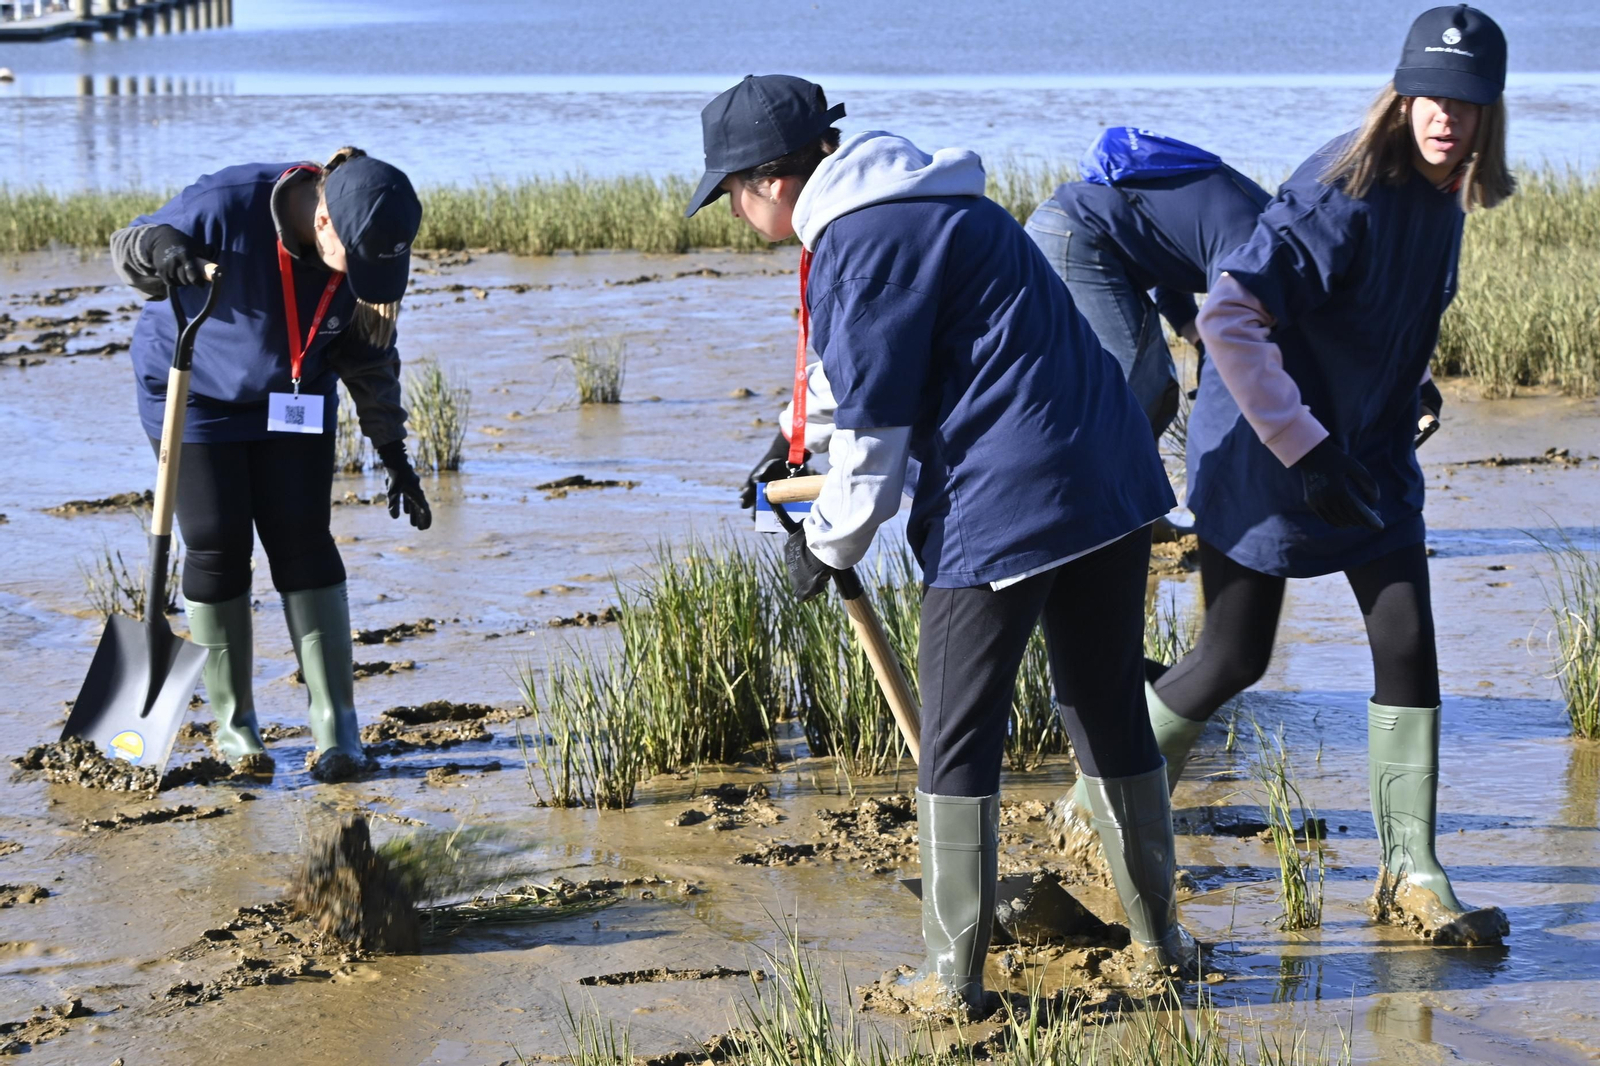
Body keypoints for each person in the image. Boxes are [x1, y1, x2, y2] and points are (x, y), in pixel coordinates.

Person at [688, 74, 1191, 1012]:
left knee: (956, 735)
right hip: (1112, 479)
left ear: (767, 181)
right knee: (1106, 707)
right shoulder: (938, 204)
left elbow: (875, 451)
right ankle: (1162, 943)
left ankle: (953, 981)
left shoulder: (857, 242)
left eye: (728, 194)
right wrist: (796, 438)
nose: (732, 212)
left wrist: (828, 546)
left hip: (1007, 502)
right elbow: (868, 369)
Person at [1055, 5, 1513, 946]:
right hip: (1269, 453)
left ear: (1489, 112)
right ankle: (1093, 797)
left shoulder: (1443, 200)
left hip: (1367, 451)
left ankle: (1410, 871)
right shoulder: (1340, 192)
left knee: (1408, 640)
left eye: (1466, 102)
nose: (1446, 117)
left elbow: (1365, 309)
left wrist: (1408, 376)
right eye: (1431, 95)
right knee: (1234, 655)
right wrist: (1305, 446)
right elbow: (1229, 319)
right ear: (1403, 93)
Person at [110, 147, 432, 784]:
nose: (364, 281)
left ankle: (339, 732)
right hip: (195, 389)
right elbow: (128, 246)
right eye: (357, 263)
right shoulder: (226, 203)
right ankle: (237, 735)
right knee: (217, 542)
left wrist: (393, 451)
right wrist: (162, 250)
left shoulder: (367, 251)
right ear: (323, 223)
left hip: (295, 396)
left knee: (304, 539)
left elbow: (368, 360)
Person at [1023, 133, 1271, 436]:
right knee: (1134, 385)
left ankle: (1131, 478)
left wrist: (1199, 339)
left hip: (1075, 230)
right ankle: (1094, 478)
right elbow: (1228, 337)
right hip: (1075, 233)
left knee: (1155, 390)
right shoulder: (1253, 243)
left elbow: (1171, 274)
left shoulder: (1260, 227)